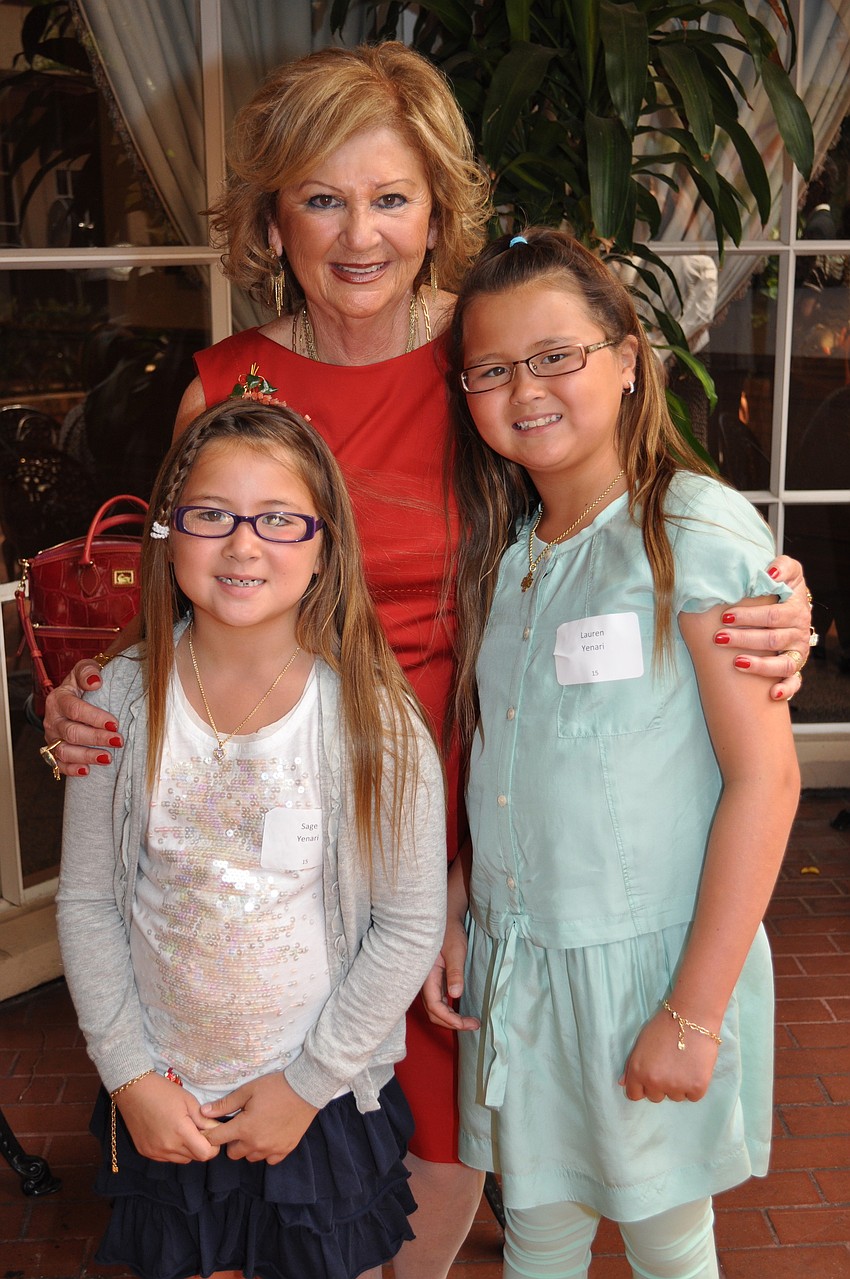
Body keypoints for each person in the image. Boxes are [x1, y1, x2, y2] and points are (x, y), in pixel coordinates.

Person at [42, 43, 813, 1279]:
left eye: (391, 196)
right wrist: (86, 702)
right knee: (265, 1099)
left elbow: (628, 509)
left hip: (474, 804)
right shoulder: (224, 387)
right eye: (323, 197)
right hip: (276, 816)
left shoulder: (492, 364)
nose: (359, 234)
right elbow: (178, 602)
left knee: (446, 1110)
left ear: (440, 210)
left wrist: (775, 588)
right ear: (273, 217)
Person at [425, 229, 802, 1279]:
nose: (525, 389)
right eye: (492, 370)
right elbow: (516, 762)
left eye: (557, 355)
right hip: (522, 966)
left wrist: (691, 1012)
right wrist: (465, 893)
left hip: (644, 968)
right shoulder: (511, 561)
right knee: (538, 1229)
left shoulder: (694, 532)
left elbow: (765, 779)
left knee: (661, 1238)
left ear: (627, 357)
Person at [56, 399, 447, 1279]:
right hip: (165, 1093)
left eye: (278, 518)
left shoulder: (373, 720)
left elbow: (408, 922)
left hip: (313, 1096)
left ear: (324, 544)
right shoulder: (115, 700)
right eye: (210, 515)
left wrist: (306, 1086)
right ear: (167, 531)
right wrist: (129, 1077)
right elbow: (85, 901)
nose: (243, 545)